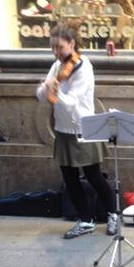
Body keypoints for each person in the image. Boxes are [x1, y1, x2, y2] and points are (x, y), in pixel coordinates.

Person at [36, 21, 117, 239]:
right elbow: (42, 95)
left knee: (94, 176)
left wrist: (55, 90)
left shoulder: (84, 67)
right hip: (63, 129)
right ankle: (85, 220)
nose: (55, 52)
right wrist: (45, 89)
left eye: (59, 47)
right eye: (52, 47)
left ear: (71, 44)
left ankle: (113, 214)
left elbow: (72, 102)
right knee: (69, 178)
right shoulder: (56, 66)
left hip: (84, 127)